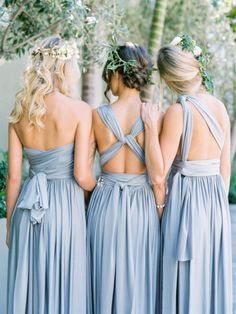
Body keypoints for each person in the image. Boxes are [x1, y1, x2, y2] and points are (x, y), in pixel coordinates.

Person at [142, 35, 232, 314]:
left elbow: (158, 174)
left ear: (169, 79)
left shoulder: (178, 112)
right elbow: (224, 167)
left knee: (182, 278)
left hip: (186, 203)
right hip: (215, 204)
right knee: (207, 278)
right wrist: (217, 209)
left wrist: (149, 126)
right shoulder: (220, 107)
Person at [7, 35, 96, 314]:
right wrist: (100, 191)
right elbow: (82, 175)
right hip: (64, 210)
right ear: (64, 67)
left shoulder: (20, 112)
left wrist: (11, 225)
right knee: (64, 285)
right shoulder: (81, 110)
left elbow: (13, 178)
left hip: (27, 210)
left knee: (31, 286)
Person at [86, 42, 161, 314]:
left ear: (116, 73)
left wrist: (94, 197)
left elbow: (83, 172)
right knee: (140, 279)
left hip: (104, 201)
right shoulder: (154, 115)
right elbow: (159, 175)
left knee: (102, 278)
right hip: (142, 205)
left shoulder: (97, 116)